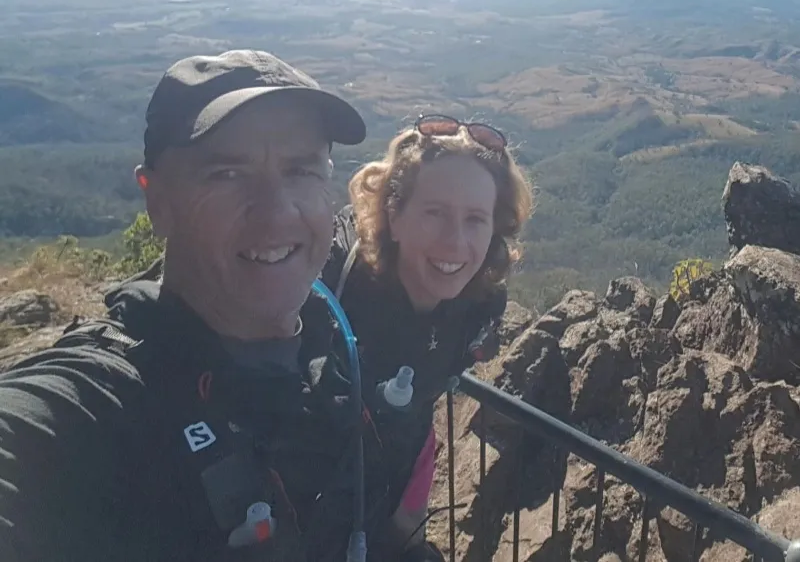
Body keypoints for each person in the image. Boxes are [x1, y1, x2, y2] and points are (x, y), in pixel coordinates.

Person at [0, 49, 401, 561]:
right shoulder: (102, 405)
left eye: (301, 170)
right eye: (227, 174)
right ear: (157, 200)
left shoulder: (332, 349)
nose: (277, 213)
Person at [315, 113, 535, 559]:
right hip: (311, 487)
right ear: (394, 216)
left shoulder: (480, 303)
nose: (455, 243)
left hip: (400, 465)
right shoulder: (331, 280)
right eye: (434, 213)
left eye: (475, 219)